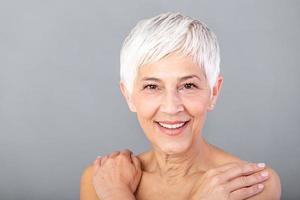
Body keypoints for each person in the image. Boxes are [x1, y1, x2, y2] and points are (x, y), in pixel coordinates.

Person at [80, 12, 281, 200]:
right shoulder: (101, 179)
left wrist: (116, 194)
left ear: (214, 92)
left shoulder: (249, 186)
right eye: (152, 86)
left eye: (188, 86)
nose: (171, 107)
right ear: (129, 96)